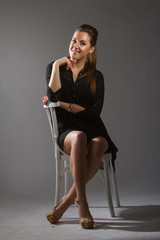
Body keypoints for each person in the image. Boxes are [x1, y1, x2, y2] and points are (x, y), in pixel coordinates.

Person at [41, 24, 118, 229]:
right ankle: (83, 204)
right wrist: (58, 63)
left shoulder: (97, 76)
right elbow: (53, 97)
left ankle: (66, 202)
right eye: (74, 40)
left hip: (94, 128)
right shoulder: (54, 67)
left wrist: (67, 105)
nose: (75, 45)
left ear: (91, 49)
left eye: (82, 43)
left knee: (100, 143)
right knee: (79, 137)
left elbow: (95, 112)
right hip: (68, 131)